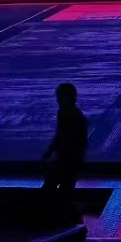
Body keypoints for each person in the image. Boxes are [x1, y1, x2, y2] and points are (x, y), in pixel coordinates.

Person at [41, 82, 88, 217]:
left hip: (68, 159)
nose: (58, 100)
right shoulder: (68, 113)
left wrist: (51, 154)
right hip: (68, 159)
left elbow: (64, 137)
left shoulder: (69, 113)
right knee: (63, 189)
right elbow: (62, 136)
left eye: (60, 96)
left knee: (57, 188)